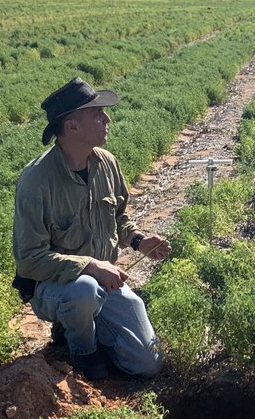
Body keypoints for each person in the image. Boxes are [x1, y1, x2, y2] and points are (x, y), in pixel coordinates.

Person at [12, 77, 169, 379]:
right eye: (97, 113)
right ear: (71, 127)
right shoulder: (37, 181)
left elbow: (118, 218)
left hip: (103, 283)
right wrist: (90, 266)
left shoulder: (106, 163)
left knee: (147, 363)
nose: (107, 118)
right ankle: (82, 354)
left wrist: (138, 240)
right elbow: (29, 260)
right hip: (55, 288)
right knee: (82, 291)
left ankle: (88, 327)